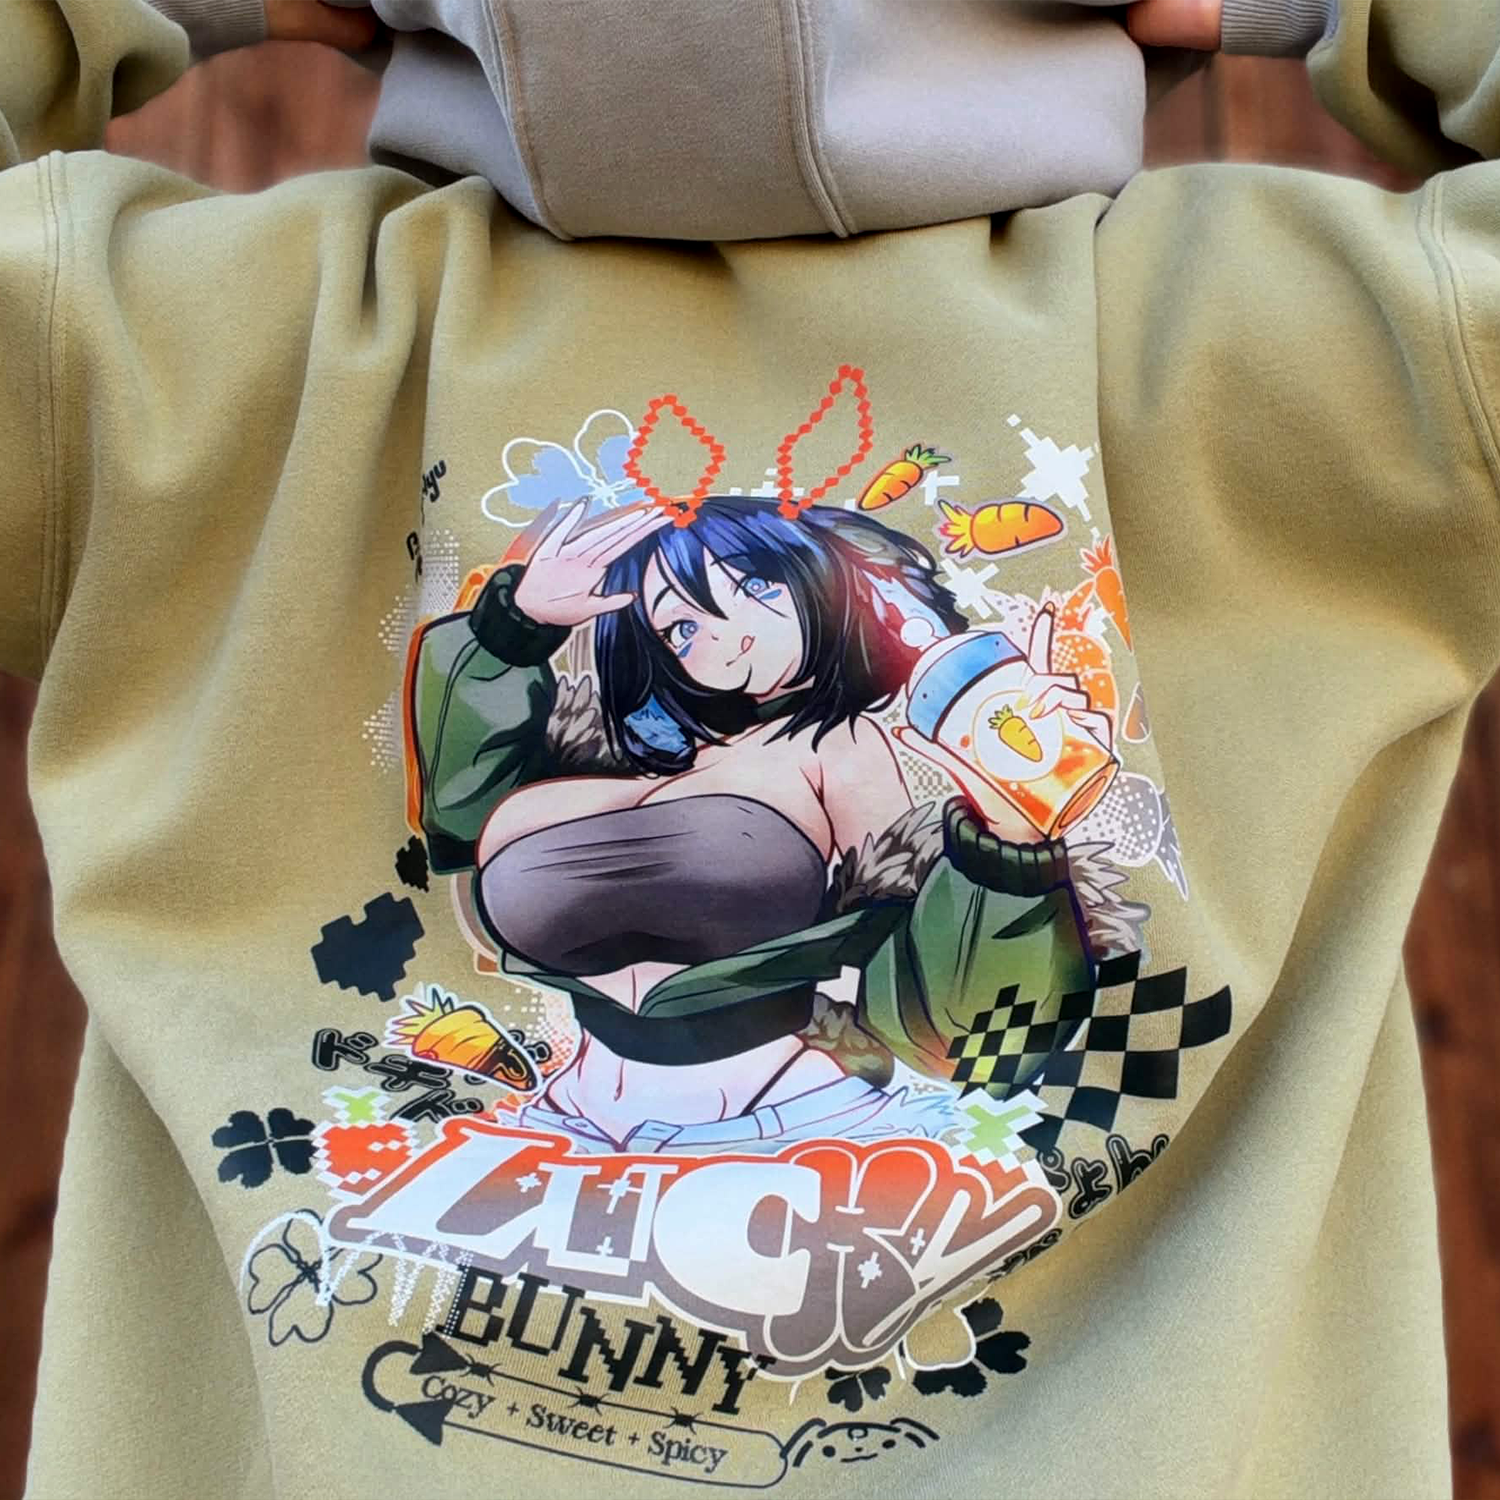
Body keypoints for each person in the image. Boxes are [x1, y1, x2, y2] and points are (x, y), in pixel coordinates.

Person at [3, 1, 1497, 1496]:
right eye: (671, 608)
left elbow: (968, 1031)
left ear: (828, 604)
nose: (697, 633)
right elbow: (464, 818)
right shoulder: (1301, 352)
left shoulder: (193, 359)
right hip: (564, 1118)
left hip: (827, 1131)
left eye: (736, 601)